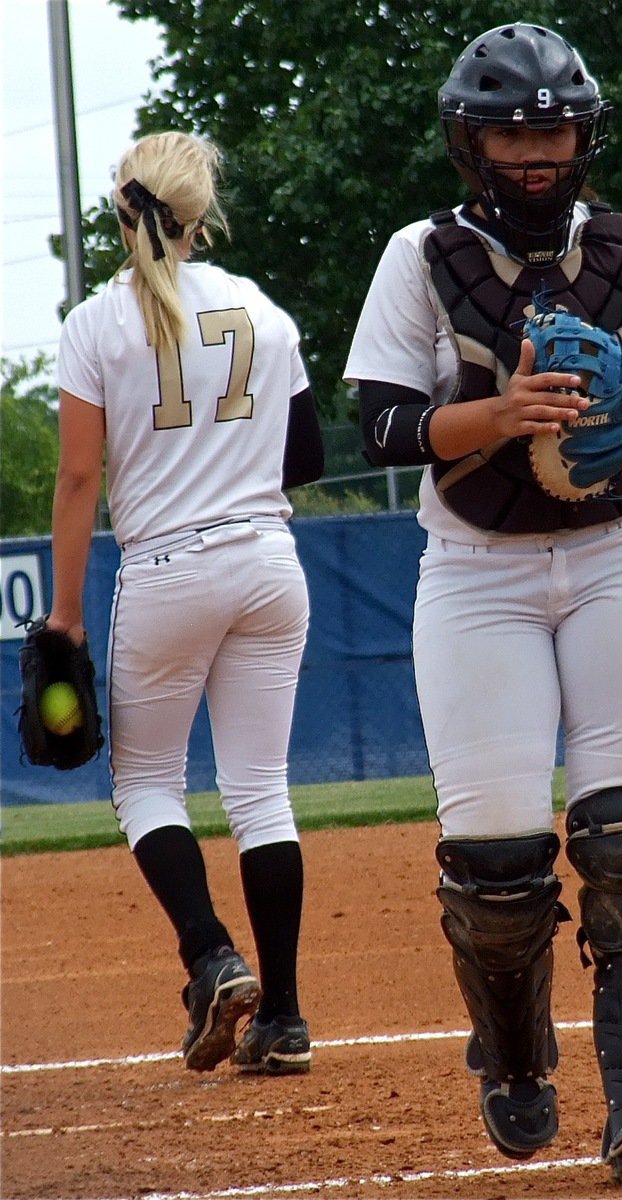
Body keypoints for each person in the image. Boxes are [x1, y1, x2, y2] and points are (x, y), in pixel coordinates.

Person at [345, 22, 622, 1186]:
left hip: (618, 554)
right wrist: (499, 414)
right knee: (495, 866)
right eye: (510, 134)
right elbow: (381, 424)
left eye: (553, 131)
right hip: (476, 571)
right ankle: (513, 1058)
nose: (534, 153)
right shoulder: (420, 255)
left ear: (584, 136)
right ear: (468, 142)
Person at [47, 131, 324, 1077]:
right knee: (261, 790)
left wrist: (65, 614)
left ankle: (210, 955)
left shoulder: (96, 322)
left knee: (146, 783)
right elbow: (305, 456)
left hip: (168, 568)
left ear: (121, 213)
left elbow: (79, 477)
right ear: (201, 216)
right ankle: (283, 1019)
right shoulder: (262, 311)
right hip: (269, 563)